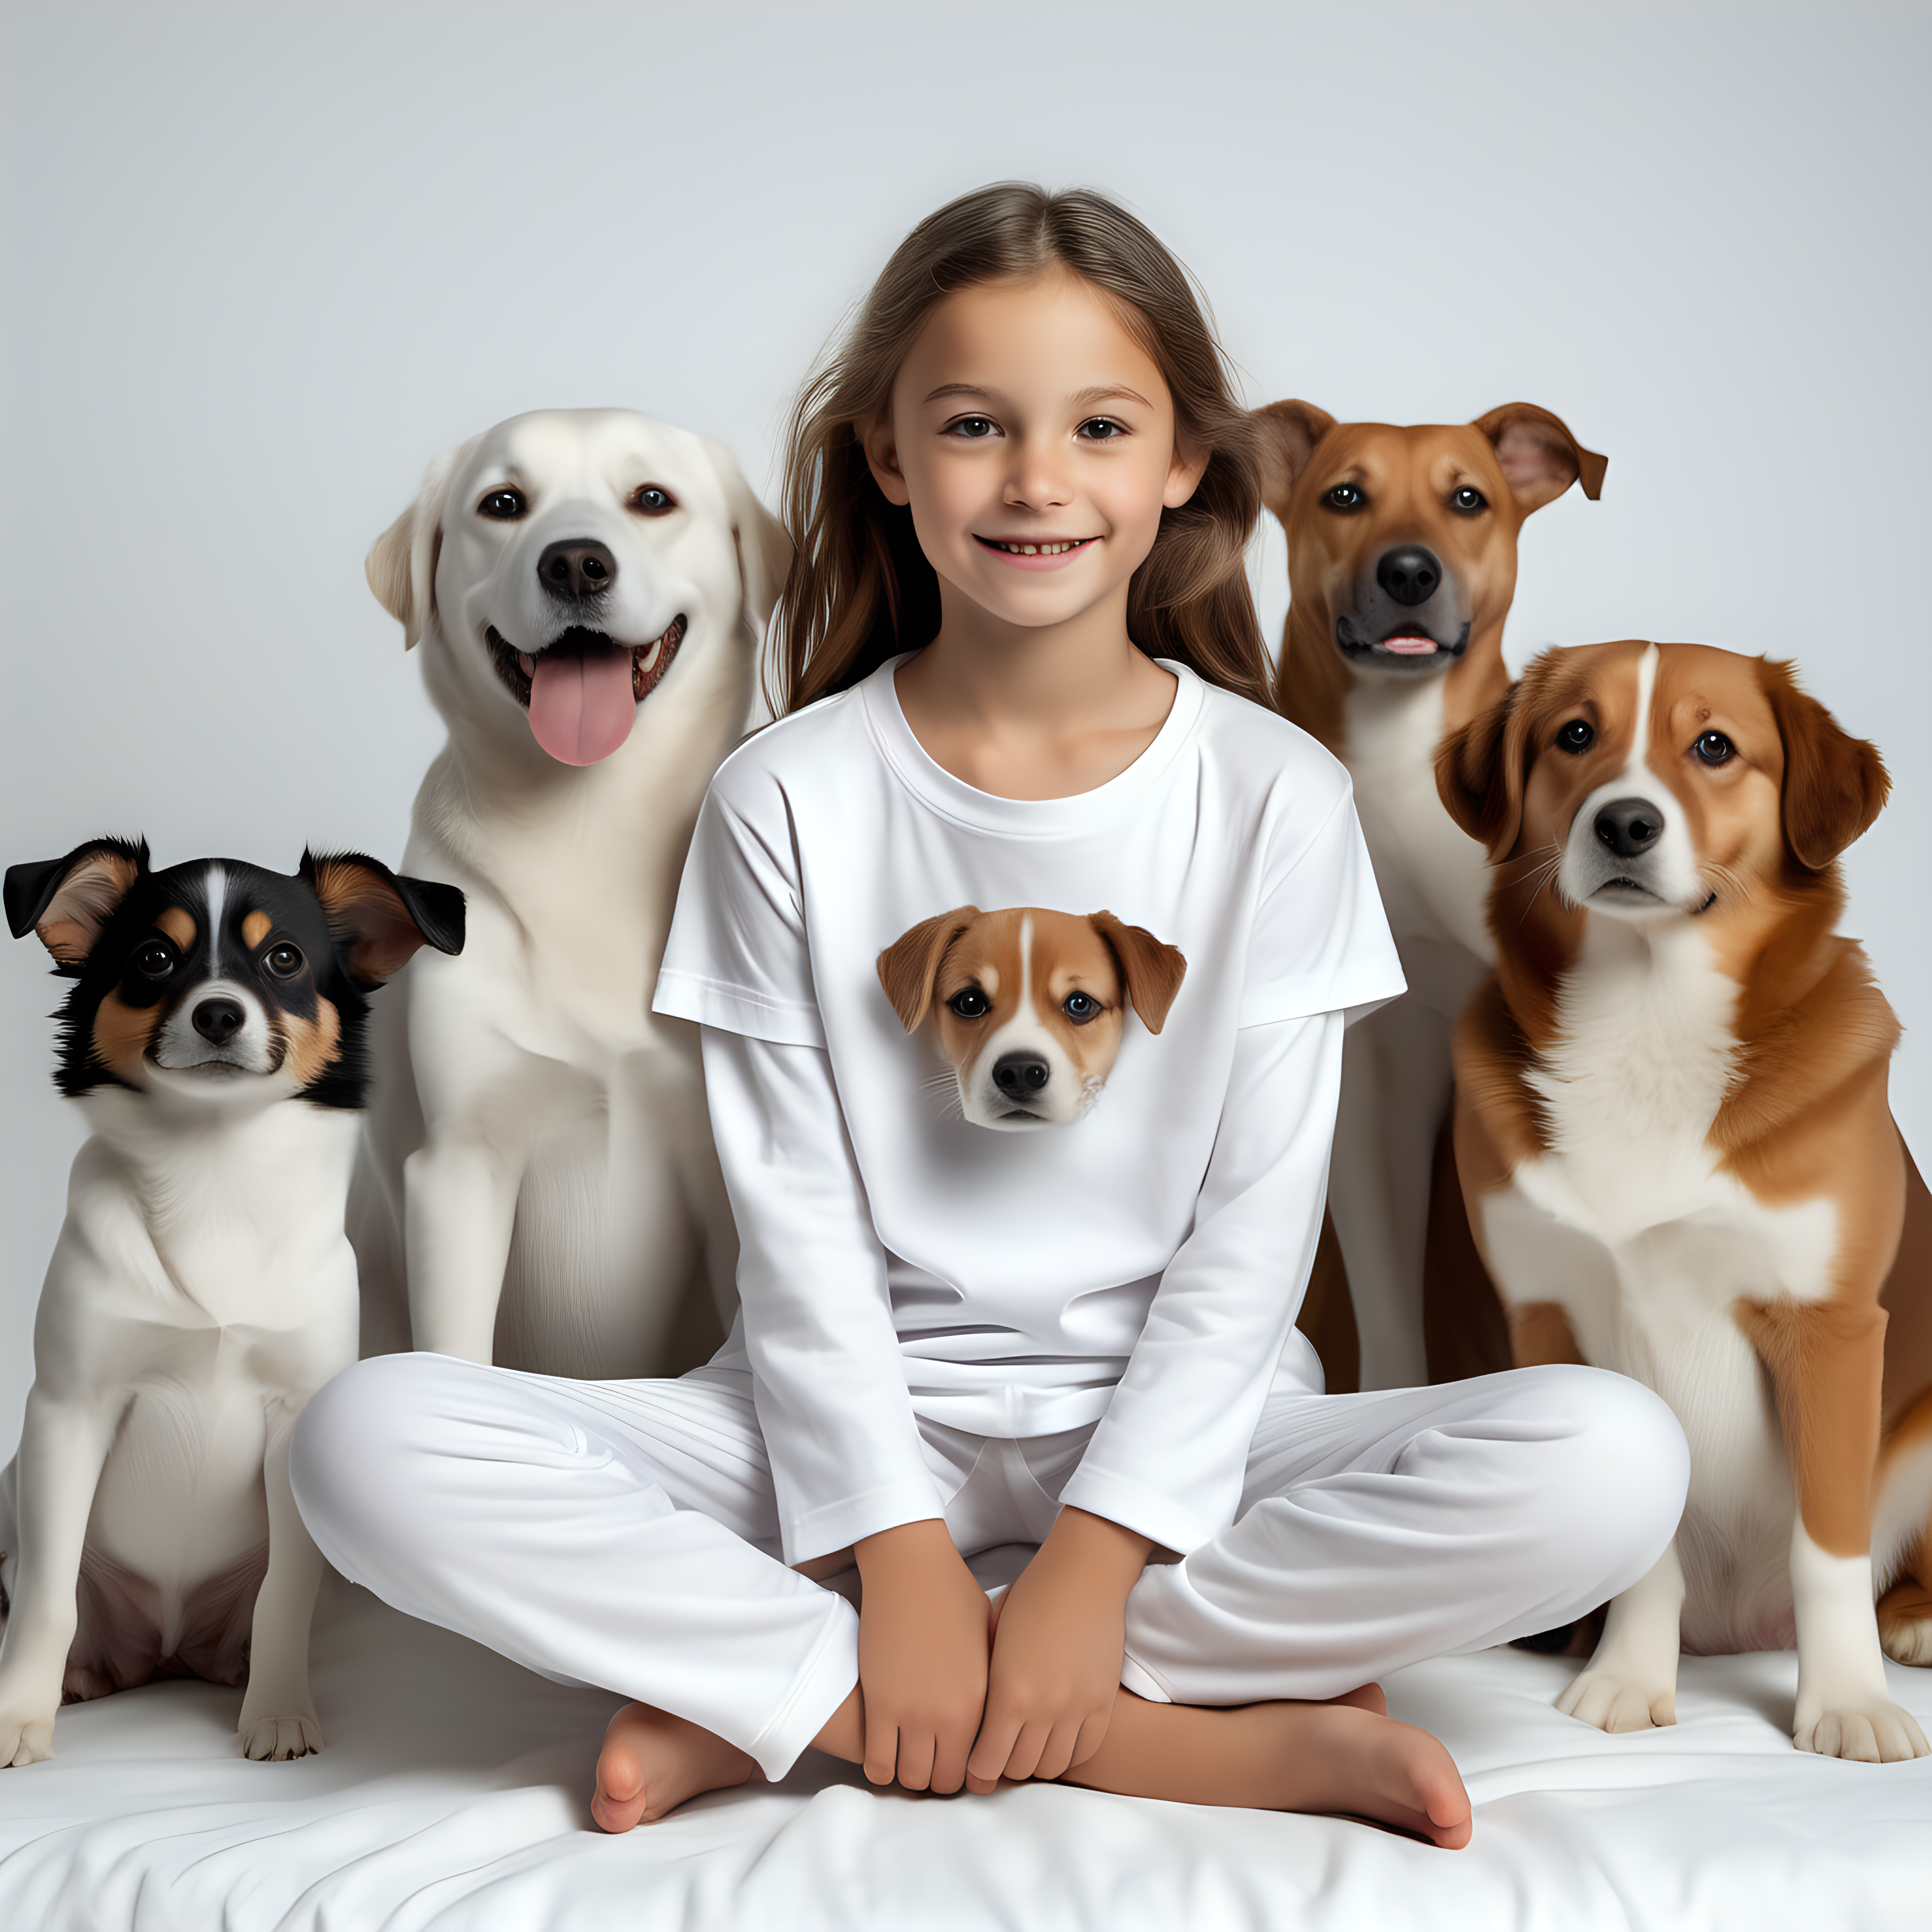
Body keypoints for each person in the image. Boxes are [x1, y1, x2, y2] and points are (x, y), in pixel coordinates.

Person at [290, 183, 1687, 1849]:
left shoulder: (1274, 794)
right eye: (973, 425)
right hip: (828, 1424)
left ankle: (811, 1709)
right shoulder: (785, 793)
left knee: (1610, 1459)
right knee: (367, 1440)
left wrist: (1097, 1559)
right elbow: (791, 1217)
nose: (1037, 480)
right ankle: (1152, 1732)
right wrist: (892, 1545)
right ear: (888, 456)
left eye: (1101, 424)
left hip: (1198, 1434)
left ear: (1184, 466)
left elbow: (1255, 1230)